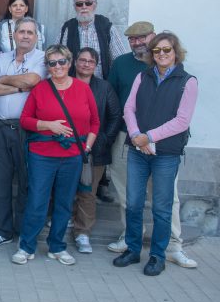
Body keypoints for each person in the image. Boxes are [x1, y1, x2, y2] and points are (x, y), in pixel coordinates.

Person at [106, 22, 197, 268]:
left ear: (175, 52)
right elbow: (128, 107)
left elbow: (181, 120)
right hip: (136, 149)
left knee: (163, 207)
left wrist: (149, 137)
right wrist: (136, 135)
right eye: (158, 52)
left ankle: (159, 255)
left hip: (166, 153)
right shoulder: (141, 76)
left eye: (166, 50)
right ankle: (133, 249)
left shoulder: (186, 81)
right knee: (133, 203)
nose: (162, 55)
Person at [12, 45, 99, 266]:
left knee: (64, 202)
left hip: (72, 155)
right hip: (42, 155)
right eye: (52, 63)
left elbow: (95, 123)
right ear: (48, 66)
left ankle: (57, 247)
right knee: (37, 201)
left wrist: (87, 146)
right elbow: (25, 120)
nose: (57, 66)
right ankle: (27, 246)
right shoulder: (40, 89)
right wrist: (48, 125)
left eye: (62, 62)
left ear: (69, 63)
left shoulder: (83, 89)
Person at [0, 17, 46, 248]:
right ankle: (3, 231)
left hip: (27, 130)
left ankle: (23, 231)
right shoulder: (1, 57)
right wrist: (20, 87)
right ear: (14, 35)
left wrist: (5, 81)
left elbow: (34, 80)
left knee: (26, 181)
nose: (26, 36)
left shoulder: (42, 58)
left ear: (36, 37)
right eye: (22, 31)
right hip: (1, 129)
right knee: (0, 181)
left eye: (31, 32)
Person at [70, 48, 121, 254]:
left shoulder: (104, 87)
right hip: (66, 146)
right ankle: (64, 219)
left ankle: (83, 232)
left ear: (96, 65)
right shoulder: (65, 82)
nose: (86, 64)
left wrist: (105, 140)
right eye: (82, 60)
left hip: (94, 148)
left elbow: (115, 115)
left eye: (90, 61)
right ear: (75, 62)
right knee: (64, 187)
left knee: (88, 191)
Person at [56, 0, 127, 79]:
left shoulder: (106, 27)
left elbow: (119, 60)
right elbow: (58, 57)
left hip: (101, 86)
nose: (84, 7)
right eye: (79, 4)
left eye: (88, 3)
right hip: (73, 85)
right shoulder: (67, 28)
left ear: (95, 5)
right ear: (75, 7)